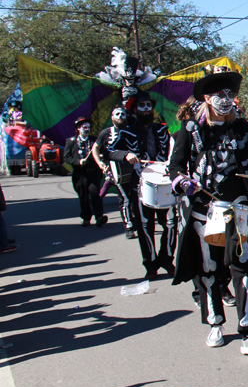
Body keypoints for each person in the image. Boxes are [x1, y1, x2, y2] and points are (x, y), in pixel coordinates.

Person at [169, 70, 248, 356]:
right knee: (209, 268)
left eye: (230, 95)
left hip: (239, 208)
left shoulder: (242, 128)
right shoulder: (191, 129)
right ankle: (215, 322)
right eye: (220, 95)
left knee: (244, 268)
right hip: (205, 209)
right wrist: (183, 182)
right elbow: (175, 166)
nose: (226, 100)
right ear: (206, 98)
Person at [107, 91, 176, 279]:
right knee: (145, 225)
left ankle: (167, 259)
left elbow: (171, 150)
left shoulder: (162, 130)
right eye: (142, 106)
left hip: (163, 181)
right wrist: (126, 155)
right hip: (140, 183)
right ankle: (151, 265)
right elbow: (109, 151)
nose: (146, 109)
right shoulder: (126, 132)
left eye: (148, 106)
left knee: (170, 223)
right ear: (135, 110)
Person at [92, 105, 137, 239]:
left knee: (136, 198)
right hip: (116, 172)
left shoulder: (132, 131)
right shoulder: (106, 133)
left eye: (122, 114)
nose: (120, 116)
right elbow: (95, 148)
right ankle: (128, 226)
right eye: (117, 114)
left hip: (134, 170)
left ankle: (136, 220)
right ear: (112, 118)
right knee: (125, 199)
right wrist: (100, 163)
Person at [63, 117, 107, 228]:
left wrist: (101, 156)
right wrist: (78, 162)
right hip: (80, 174)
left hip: (93, 172)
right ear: (78, 128)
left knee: (94, 192)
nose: (87, 129)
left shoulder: (94, 141)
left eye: (88, 127)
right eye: (84, 127)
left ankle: (99, 217)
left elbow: (102, 151)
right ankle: (86, 218)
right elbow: (67, 158)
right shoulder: (71, 141)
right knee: (83, 196)